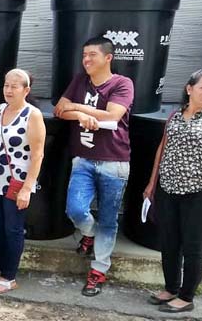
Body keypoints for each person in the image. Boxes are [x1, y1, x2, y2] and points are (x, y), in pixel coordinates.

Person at [54, 36, 134, 297]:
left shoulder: (122, 83)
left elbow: (113, 115)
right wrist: (80, 115)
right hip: (83, 160)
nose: (86, 60)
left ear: (108, 58)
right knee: (75, 209)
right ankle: (90, 234)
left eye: (92, 55)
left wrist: (77, 107)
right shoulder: (79, 81)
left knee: (109, 219)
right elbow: (59, 109)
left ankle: (98, 271)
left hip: (115, 163)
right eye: (84, 55)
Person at [143, 70, 202, 313]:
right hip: (168, 190)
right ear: (189, 89)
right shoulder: (175, 116)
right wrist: (151, 183)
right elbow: (162, 149)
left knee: (192, 246)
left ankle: (186, 297)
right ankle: (171, 288)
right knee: (169, 243)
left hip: (201, 193)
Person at [0, 69, 46, 294]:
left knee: (13, 228)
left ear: (26, 90)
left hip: (16, 182)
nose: (8, 90)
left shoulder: (32, 115)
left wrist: (27, 188)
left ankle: (9, 276)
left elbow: (38, 154)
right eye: (6, 85)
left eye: (14, 86)